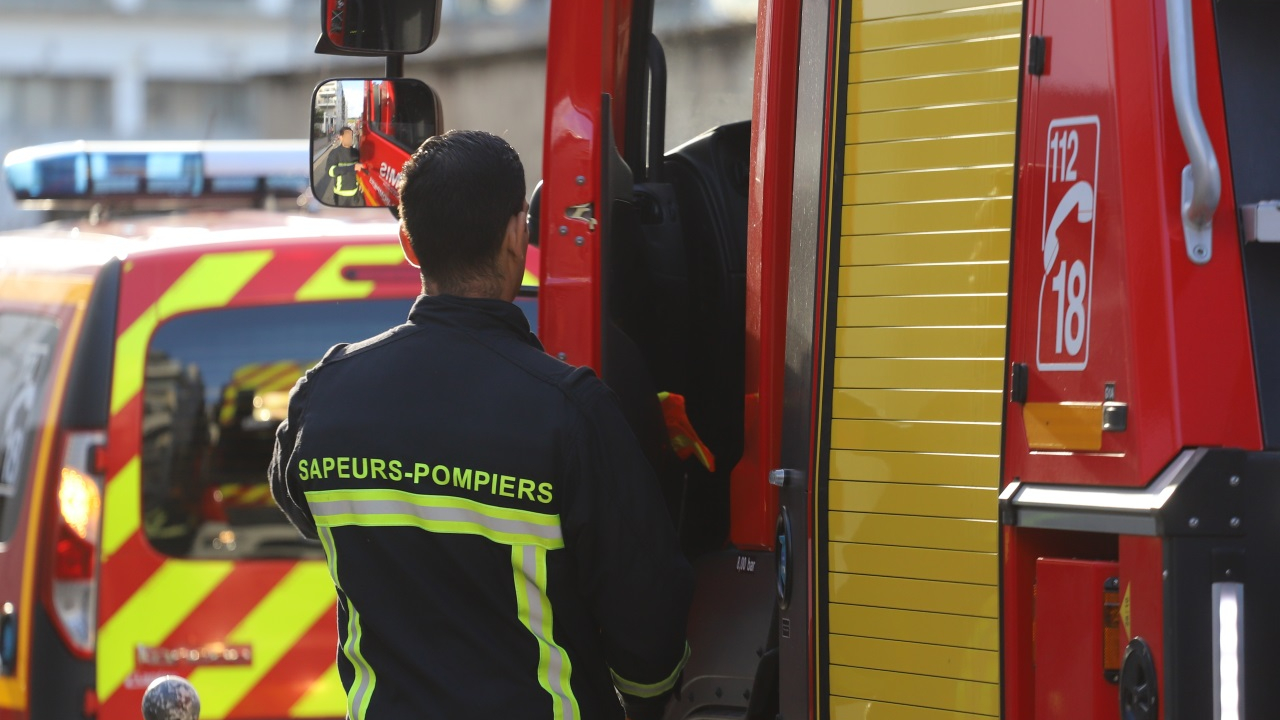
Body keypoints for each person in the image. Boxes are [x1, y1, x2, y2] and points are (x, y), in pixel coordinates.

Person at [270, 130, 693, 720]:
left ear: (408, 246)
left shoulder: (322, 398)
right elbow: (647, 631)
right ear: (517, 235)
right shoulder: (569, 413)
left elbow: (312, 515)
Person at [326, 127, 365, 206]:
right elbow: (330, 171)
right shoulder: (335, 153)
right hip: (341, 196)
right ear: (341, 137)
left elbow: (360, 170)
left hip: (356, 193)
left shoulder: (356, 152)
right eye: (347, 136)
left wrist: (362, 183)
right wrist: (352, 167)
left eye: (351, 136)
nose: (349, 138)